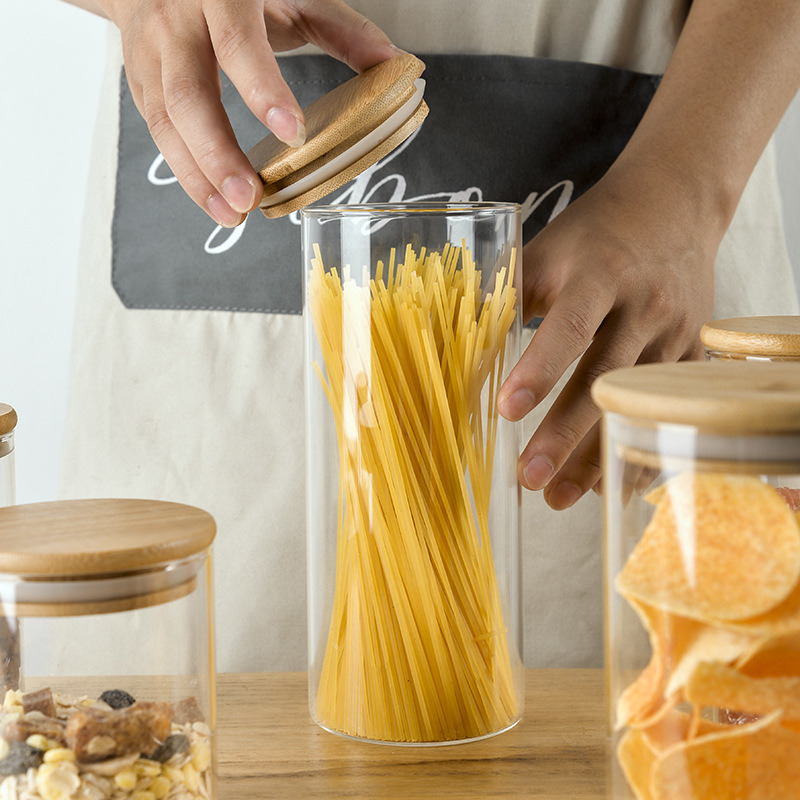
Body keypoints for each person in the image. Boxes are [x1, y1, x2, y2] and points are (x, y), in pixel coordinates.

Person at [58, 0, 800, 672]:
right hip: (215, 326)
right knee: (169, 720)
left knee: (662, 726)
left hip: (673, 177)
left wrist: (684, 183)